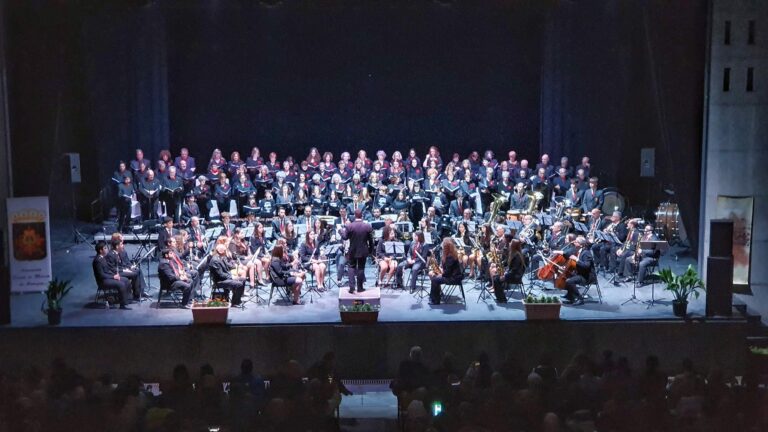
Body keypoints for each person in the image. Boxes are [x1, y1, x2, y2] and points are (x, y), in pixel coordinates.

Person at [341, 209, 374, 294]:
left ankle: (352, 287)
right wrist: (371, 250)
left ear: (355, 216)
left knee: (351, 267)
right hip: (363, 250)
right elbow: (371, 241)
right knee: (361, 268)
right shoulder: (367, 226)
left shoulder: (350, 226)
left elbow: (345, 237)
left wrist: (341, 232)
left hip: (352, 250)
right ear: (362, 215)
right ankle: (360, 287)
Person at [92, 241, 131, 309]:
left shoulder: (103, 258)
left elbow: (108, 270)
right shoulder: (97, 260)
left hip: (108, 278)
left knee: (126, 280)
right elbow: (101, 275)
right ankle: (122, 304)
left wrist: (116, 275)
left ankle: (125, 299)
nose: (107, 249)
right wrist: (113, 277)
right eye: (105, 248)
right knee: (121, 284)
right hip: (103, 281)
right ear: (101, 250)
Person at [428, 237, 463, 305]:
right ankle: (436, 295)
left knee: (435, 279)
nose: (442, 245)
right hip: (452, 275)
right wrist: (439, 270)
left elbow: (448, 273)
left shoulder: (450, 256)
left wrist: (440, 274)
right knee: (434, 276)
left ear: (446, 246)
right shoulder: (451, 253)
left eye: (443, 244)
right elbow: (447, 269)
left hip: (454, 278)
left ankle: (435, 300)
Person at [491, 239, 526, 304]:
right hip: (512, 274)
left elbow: (514, 270)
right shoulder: (513, 253)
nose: (509, 244)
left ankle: (502, 299)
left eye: (511, 243)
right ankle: (500, 297)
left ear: (513, 246)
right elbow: (509, 266)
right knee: (495, 277)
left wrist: (505, 275)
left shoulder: (517, 256)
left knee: (496, 279)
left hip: (515, 276)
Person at [563, 236, 595, 305]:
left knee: (569, 281)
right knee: (565, 276)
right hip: (580, 273)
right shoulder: (578, 251)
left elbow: (586, 266)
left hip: (586, 276)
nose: (574, 242)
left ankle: (580, 299)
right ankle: (570, 297)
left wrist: (577, 259)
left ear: (581, 245)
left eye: (576, 242)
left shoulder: (586, 253)